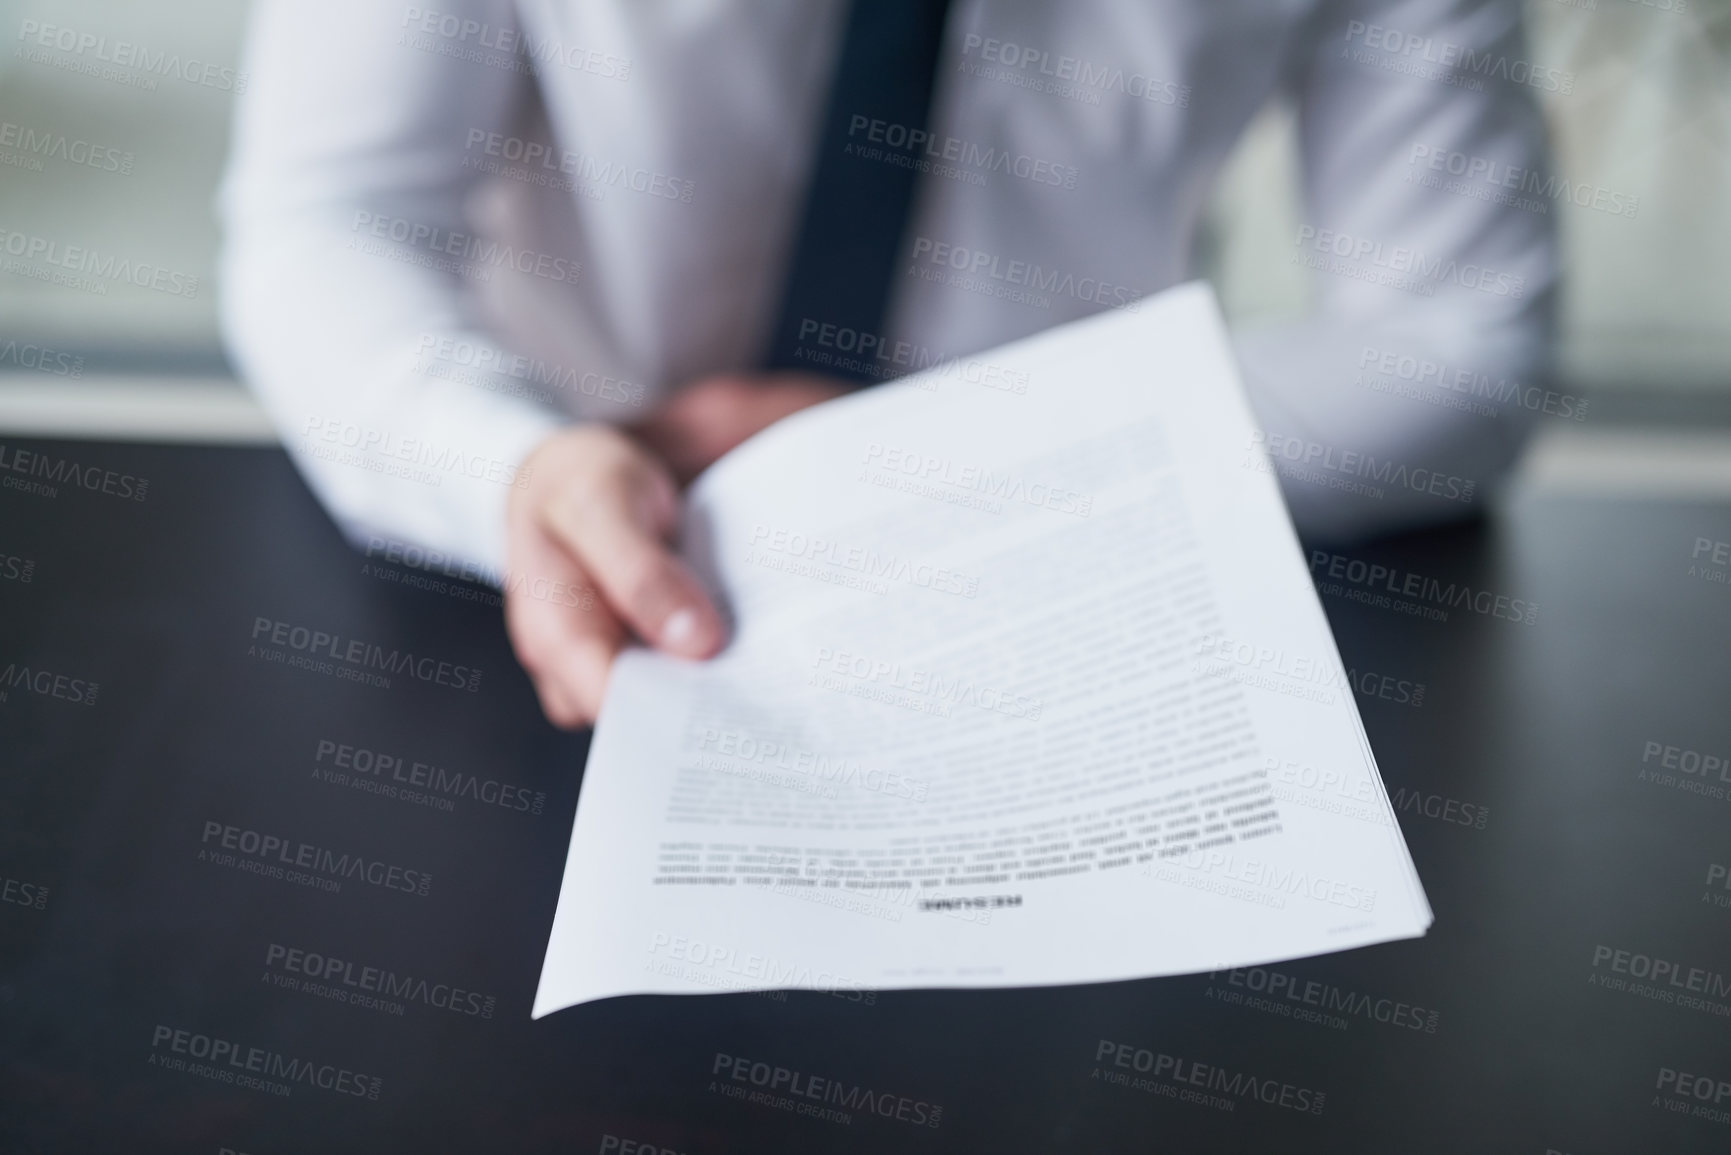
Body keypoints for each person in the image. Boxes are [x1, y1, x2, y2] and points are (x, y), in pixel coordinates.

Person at [219, 0, 1557, 728]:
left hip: (1069, 585)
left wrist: (944, 457)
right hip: (533, 573)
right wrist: (510, 463)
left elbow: (1460, 341)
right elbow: (330, 221)